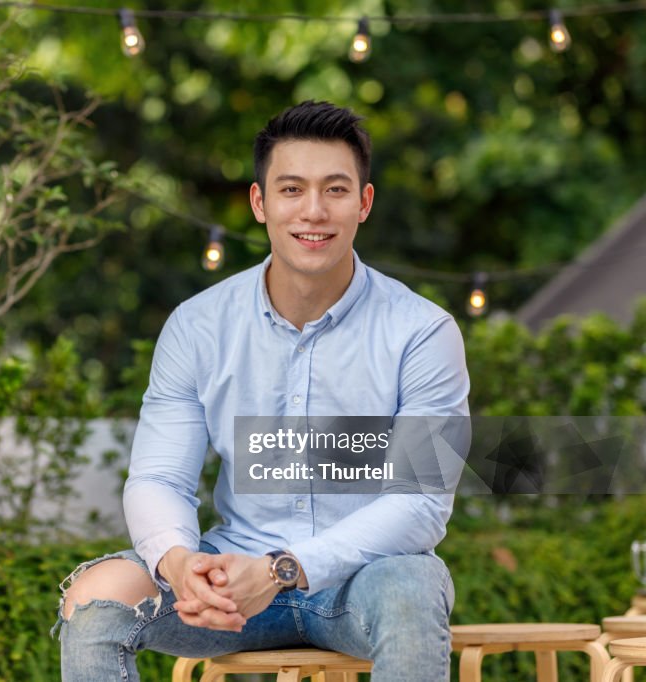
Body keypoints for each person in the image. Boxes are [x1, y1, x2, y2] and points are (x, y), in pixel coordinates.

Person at [53, 100, 470, 681]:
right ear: (260, 203)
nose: (314, 211)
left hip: (363, 580)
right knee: (98, 597)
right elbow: (160, 477)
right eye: (292, 189)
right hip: (229, 579)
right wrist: (178, 563)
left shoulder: (422, 332)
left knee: (412, 586)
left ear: (364, 203)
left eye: (336, 190)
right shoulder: (198, 327)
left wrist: (282, 569)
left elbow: (421, 502)